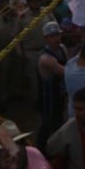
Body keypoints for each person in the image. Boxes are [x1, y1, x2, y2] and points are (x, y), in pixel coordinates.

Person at [36, 22, 68, 152]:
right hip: (48, 98)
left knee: (58, 119)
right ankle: (40, 149)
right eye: (52, 36)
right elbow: (66, 72)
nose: (56, 39)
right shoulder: (46, 58)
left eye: (57, 35)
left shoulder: (62, 48)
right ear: (46, 39)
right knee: (48, 124)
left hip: (59, 93)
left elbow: (68, 64)